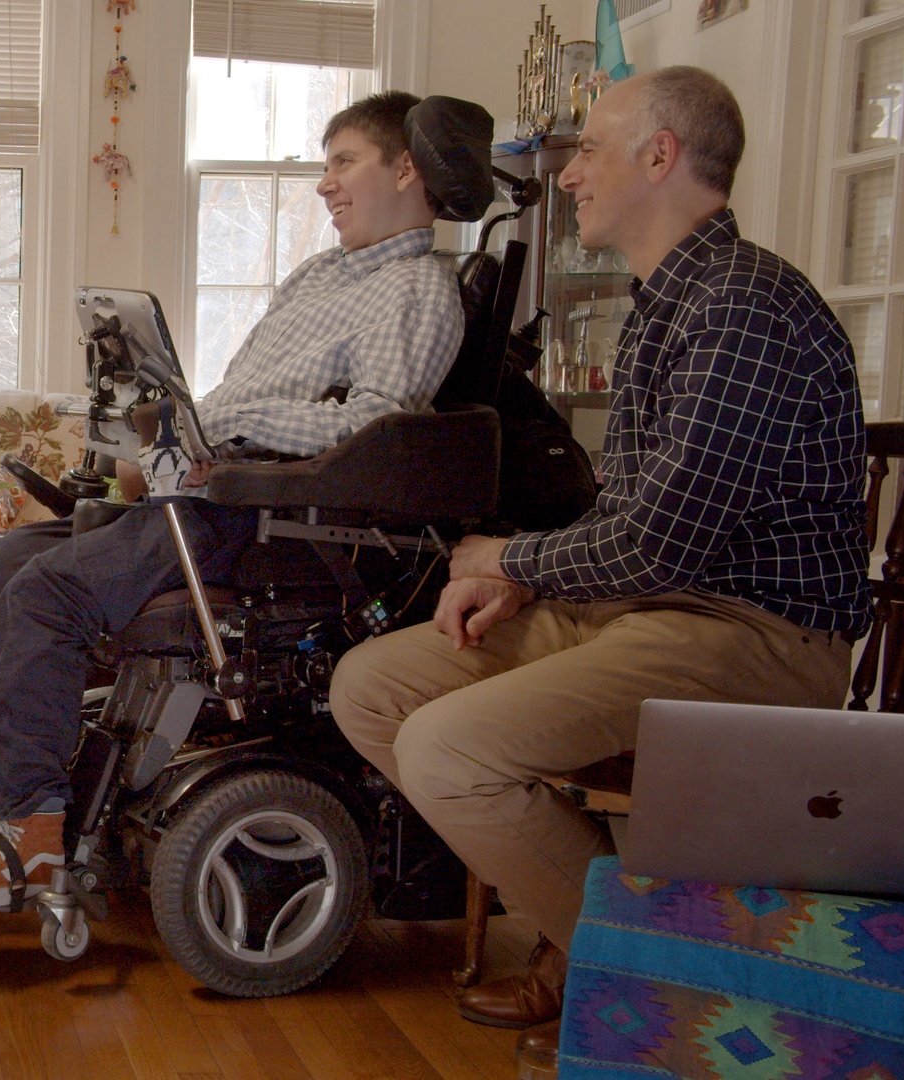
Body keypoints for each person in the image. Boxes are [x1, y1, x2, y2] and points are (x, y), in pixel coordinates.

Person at [327, 67, 869, 1064]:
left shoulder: (741, 310)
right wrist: (527, 577)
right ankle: (611, 934)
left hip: (755, 632)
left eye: (590, 149)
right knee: (369, 685)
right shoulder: (669, 299)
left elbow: (663, 544)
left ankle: (650, 974)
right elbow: (633, 525)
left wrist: (511, 554)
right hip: (652, 608)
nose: (569, 173)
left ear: (660, 156)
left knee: (449, 751)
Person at [0, 91, 474, 910]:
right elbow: (242, 395)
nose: (325, 184)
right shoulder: (317, 277)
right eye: (325, 165)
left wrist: (222, 425)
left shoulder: (418, 289)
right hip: (218, 487)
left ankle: (33, 836)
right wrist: (164, 429)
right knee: (13, 557)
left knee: (53, 591)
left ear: (407, 169)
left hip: (283, 517)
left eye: (343, 162)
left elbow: (376, 423)